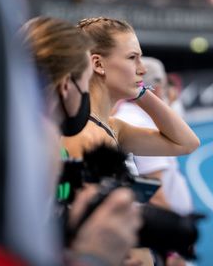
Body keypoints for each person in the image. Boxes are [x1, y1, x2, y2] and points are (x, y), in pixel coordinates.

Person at [21, 16, 142, 266]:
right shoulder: (43, 140)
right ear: (66, 85)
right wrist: (92, 257)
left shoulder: (11, 129)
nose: (88, 93)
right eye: (86, 83)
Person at [62, 17, 200, 159]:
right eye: (132, 58)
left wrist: (140, 91)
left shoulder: (114, 127)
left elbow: (187, 144)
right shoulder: (86, 136)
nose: (143, 69)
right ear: (98, 64)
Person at [113, 57, 195, 266]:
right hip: (155, 235)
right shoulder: (138, 122)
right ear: (157, 87)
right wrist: (173, 246)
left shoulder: (133, 117)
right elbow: (154, 193)